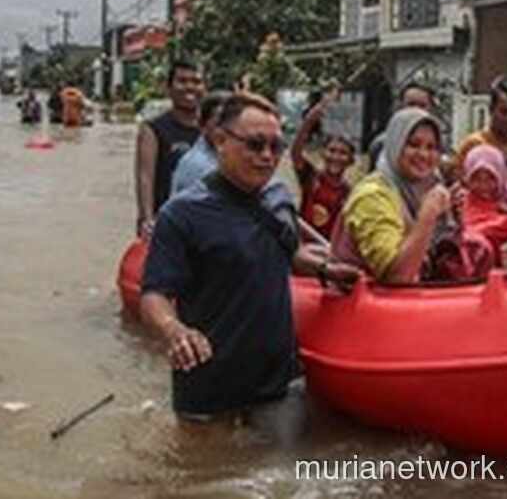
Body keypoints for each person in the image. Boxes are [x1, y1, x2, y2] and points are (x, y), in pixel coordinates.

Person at [140, 92, 360, 421]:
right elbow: (154, 294)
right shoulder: (182, 214)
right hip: (209, 385)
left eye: (276, 146)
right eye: (255, 145)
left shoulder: (278, 197)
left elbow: (287, 253)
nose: (267, 156)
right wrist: (174, 331)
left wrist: (325, 270)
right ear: (220, 141)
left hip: (278, 379)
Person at [331, 108, 456, 283]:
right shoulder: (372, 196)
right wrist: (428, 216)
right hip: (361, 298)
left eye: (431, 147)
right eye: (413, 144)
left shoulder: (423, 189)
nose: (423, 155)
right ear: (395, 145)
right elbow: (397, 278)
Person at [135, 60, 205, 238]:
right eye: (182, 81)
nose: (190, 87)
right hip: (166, 223)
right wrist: (147, 219)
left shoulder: (213, 129)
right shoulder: (153, 129)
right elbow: (145, 177)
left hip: (205, 222)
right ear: (168, 88)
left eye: (196, 81)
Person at [291, 91, 355, 240]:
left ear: (351, 160)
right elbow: (295, 153)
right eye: (332, 150)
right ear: (322, 153)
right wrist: (309, 121)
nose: (336, 157)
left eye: (343, 153)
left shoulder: (349, 192)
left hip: (328, 249)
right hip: (304, 247)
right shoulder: (311, 177)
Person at [170, 90, 232, 197]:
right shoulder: (199, 165)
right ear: (202, 126)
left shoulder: (223, 155)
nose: (228, 128)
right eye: (219, 123)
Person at [367, 82, 437, 170]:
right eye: (411, 104)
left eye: (422, 105)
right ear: (400, 106)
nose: (416, 109)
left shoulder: (437, 144)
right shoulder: (382, 144)